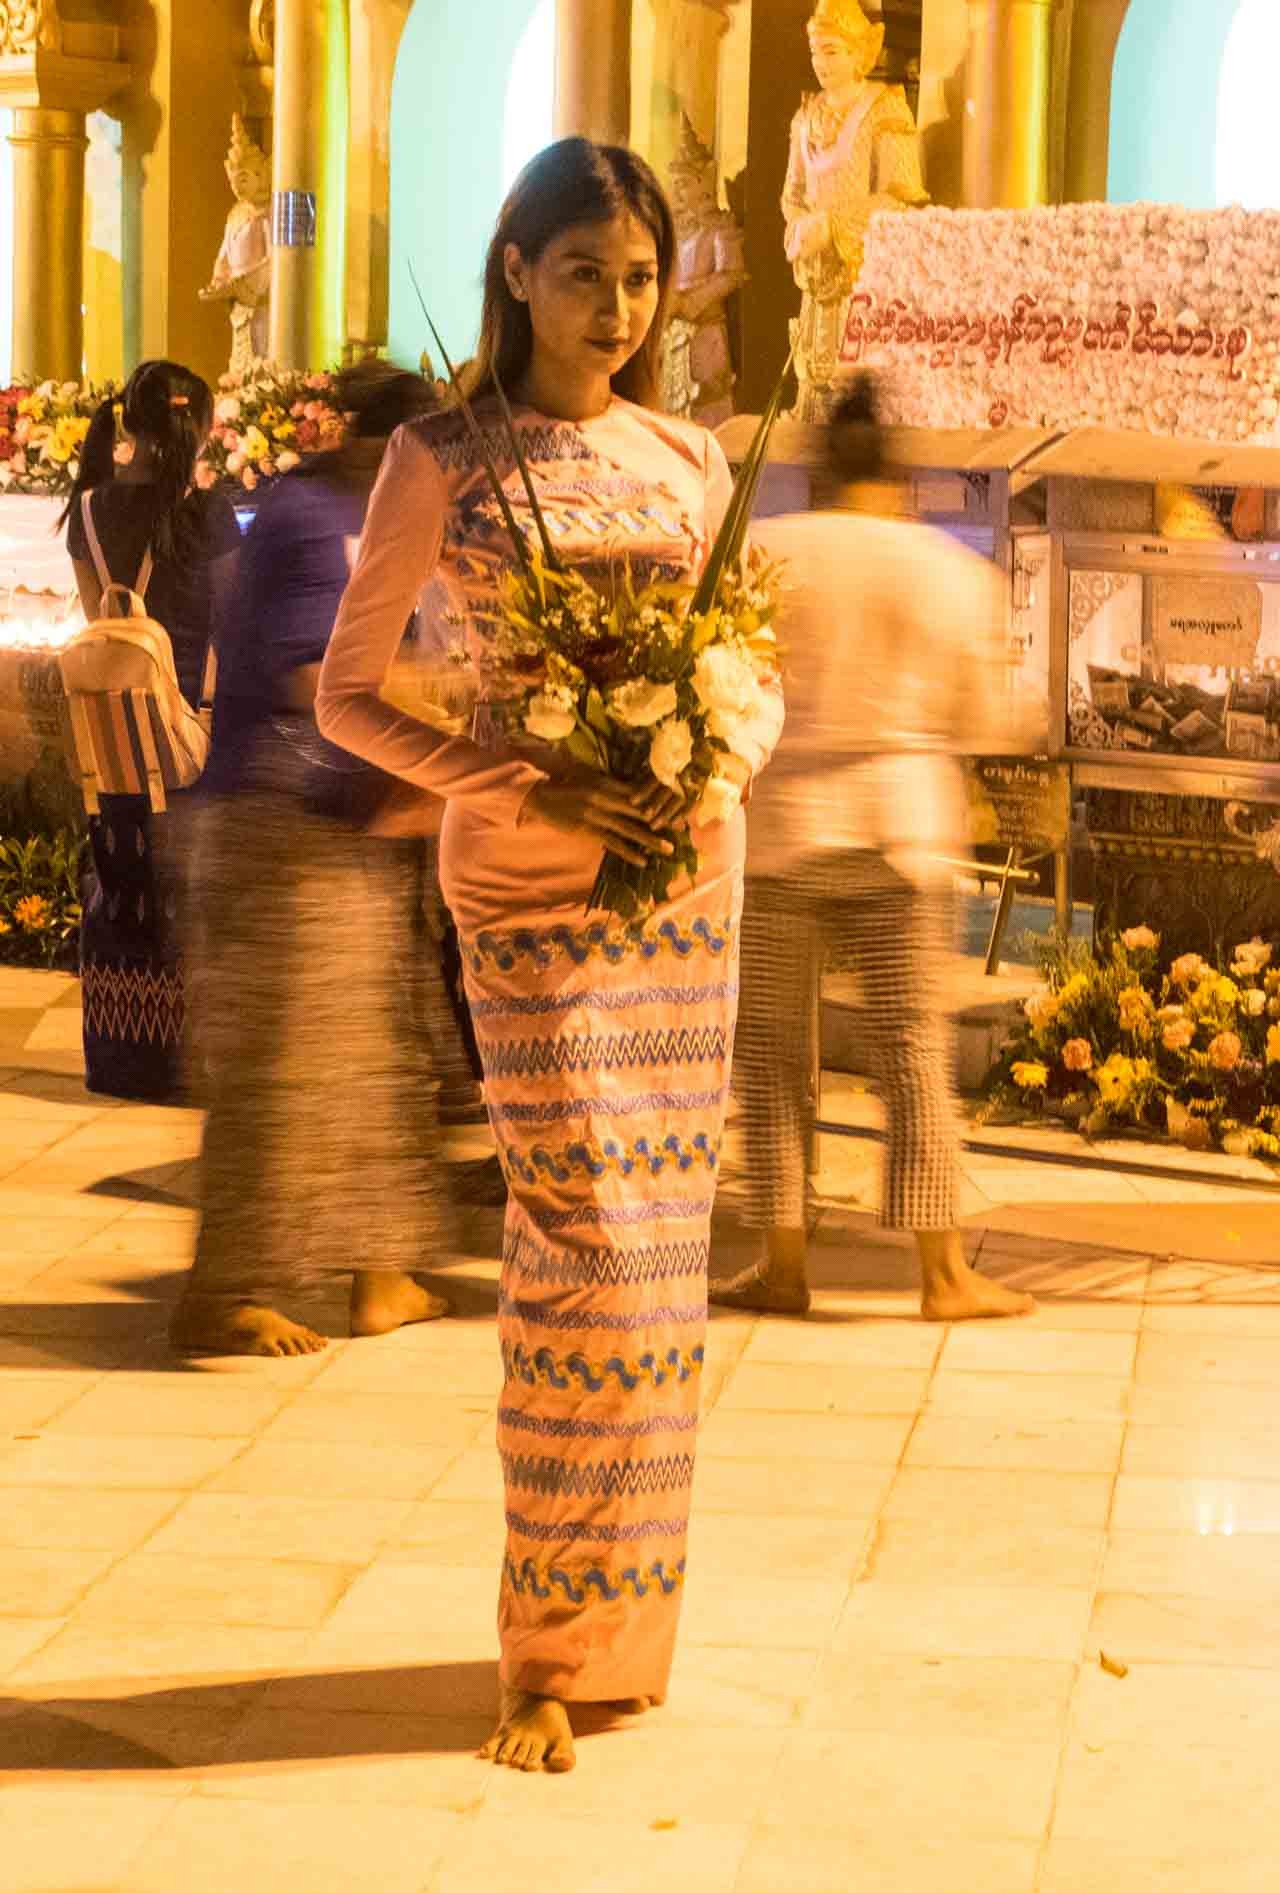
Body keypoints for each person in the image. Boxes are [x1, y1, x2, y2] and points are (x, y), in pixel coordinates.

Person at [317, 138, 780, 1774]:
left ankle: (622, 1640)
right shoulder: (442, 458)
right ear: (515, 271)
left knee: (659, 1272)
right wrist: (527, 781)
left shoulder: (688, 456)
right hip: (528, 891)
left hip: (685, 887)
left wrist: (716, 750)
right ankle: (543, 1653)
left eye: (641, 279)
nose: (619, 308)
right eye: (585, 273)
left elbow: (752, 663)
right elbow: (348, 698)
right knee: (578, 1251)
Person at [714, 375, 1035, 1323]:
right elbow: (991, 719)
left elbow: (727, 685)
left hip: (782, 828)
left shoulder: (770, 553)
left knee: (772, 1055)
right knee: (910, 1048)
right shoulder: (946, 569)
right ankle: (942, 1275)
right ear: (896, 474)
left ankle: (782, 1264)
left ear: (816, 467)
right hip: (900, 826)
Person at [172, 361, 454, 1360]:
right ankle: (225, 1294)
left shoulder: (368, 518)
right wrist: (449, 701)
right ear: (387, 446)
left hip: (347, 820)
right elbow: (310, 673)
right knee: (279, 1072)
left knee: (374, 1059)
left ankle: (381, 1274)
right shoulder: (307, 517)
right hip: (277, 823)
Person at [63, 360, 241, 1101]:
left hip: (114, 744)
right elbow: (234, 623)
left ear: (130, 423)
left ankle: (124, 1054)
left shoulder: (89, 509)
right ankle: (188, 1060)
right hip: (192, 737)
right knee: (192, 892)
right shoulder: (211, 512)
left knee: (123, 881)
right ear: (198, 427)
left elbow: (99, 622)